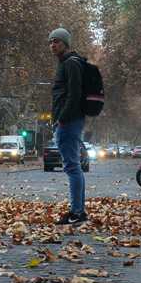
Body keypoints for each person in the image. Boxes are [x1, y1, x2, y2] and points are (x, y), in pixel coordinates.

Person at [49, 27, 88, 225]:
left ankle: (77, 211)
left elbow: (74, 95)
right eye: (51, 42)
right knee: (73, 167)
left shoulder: (71, 64)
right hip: (69, 120)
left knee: (72, 167)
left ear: (65, 43)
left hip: (69, 121)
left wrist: (62, 118)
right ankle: (78, 210)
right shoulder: (66, 63)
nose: (52, 45)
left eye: (56, 41)